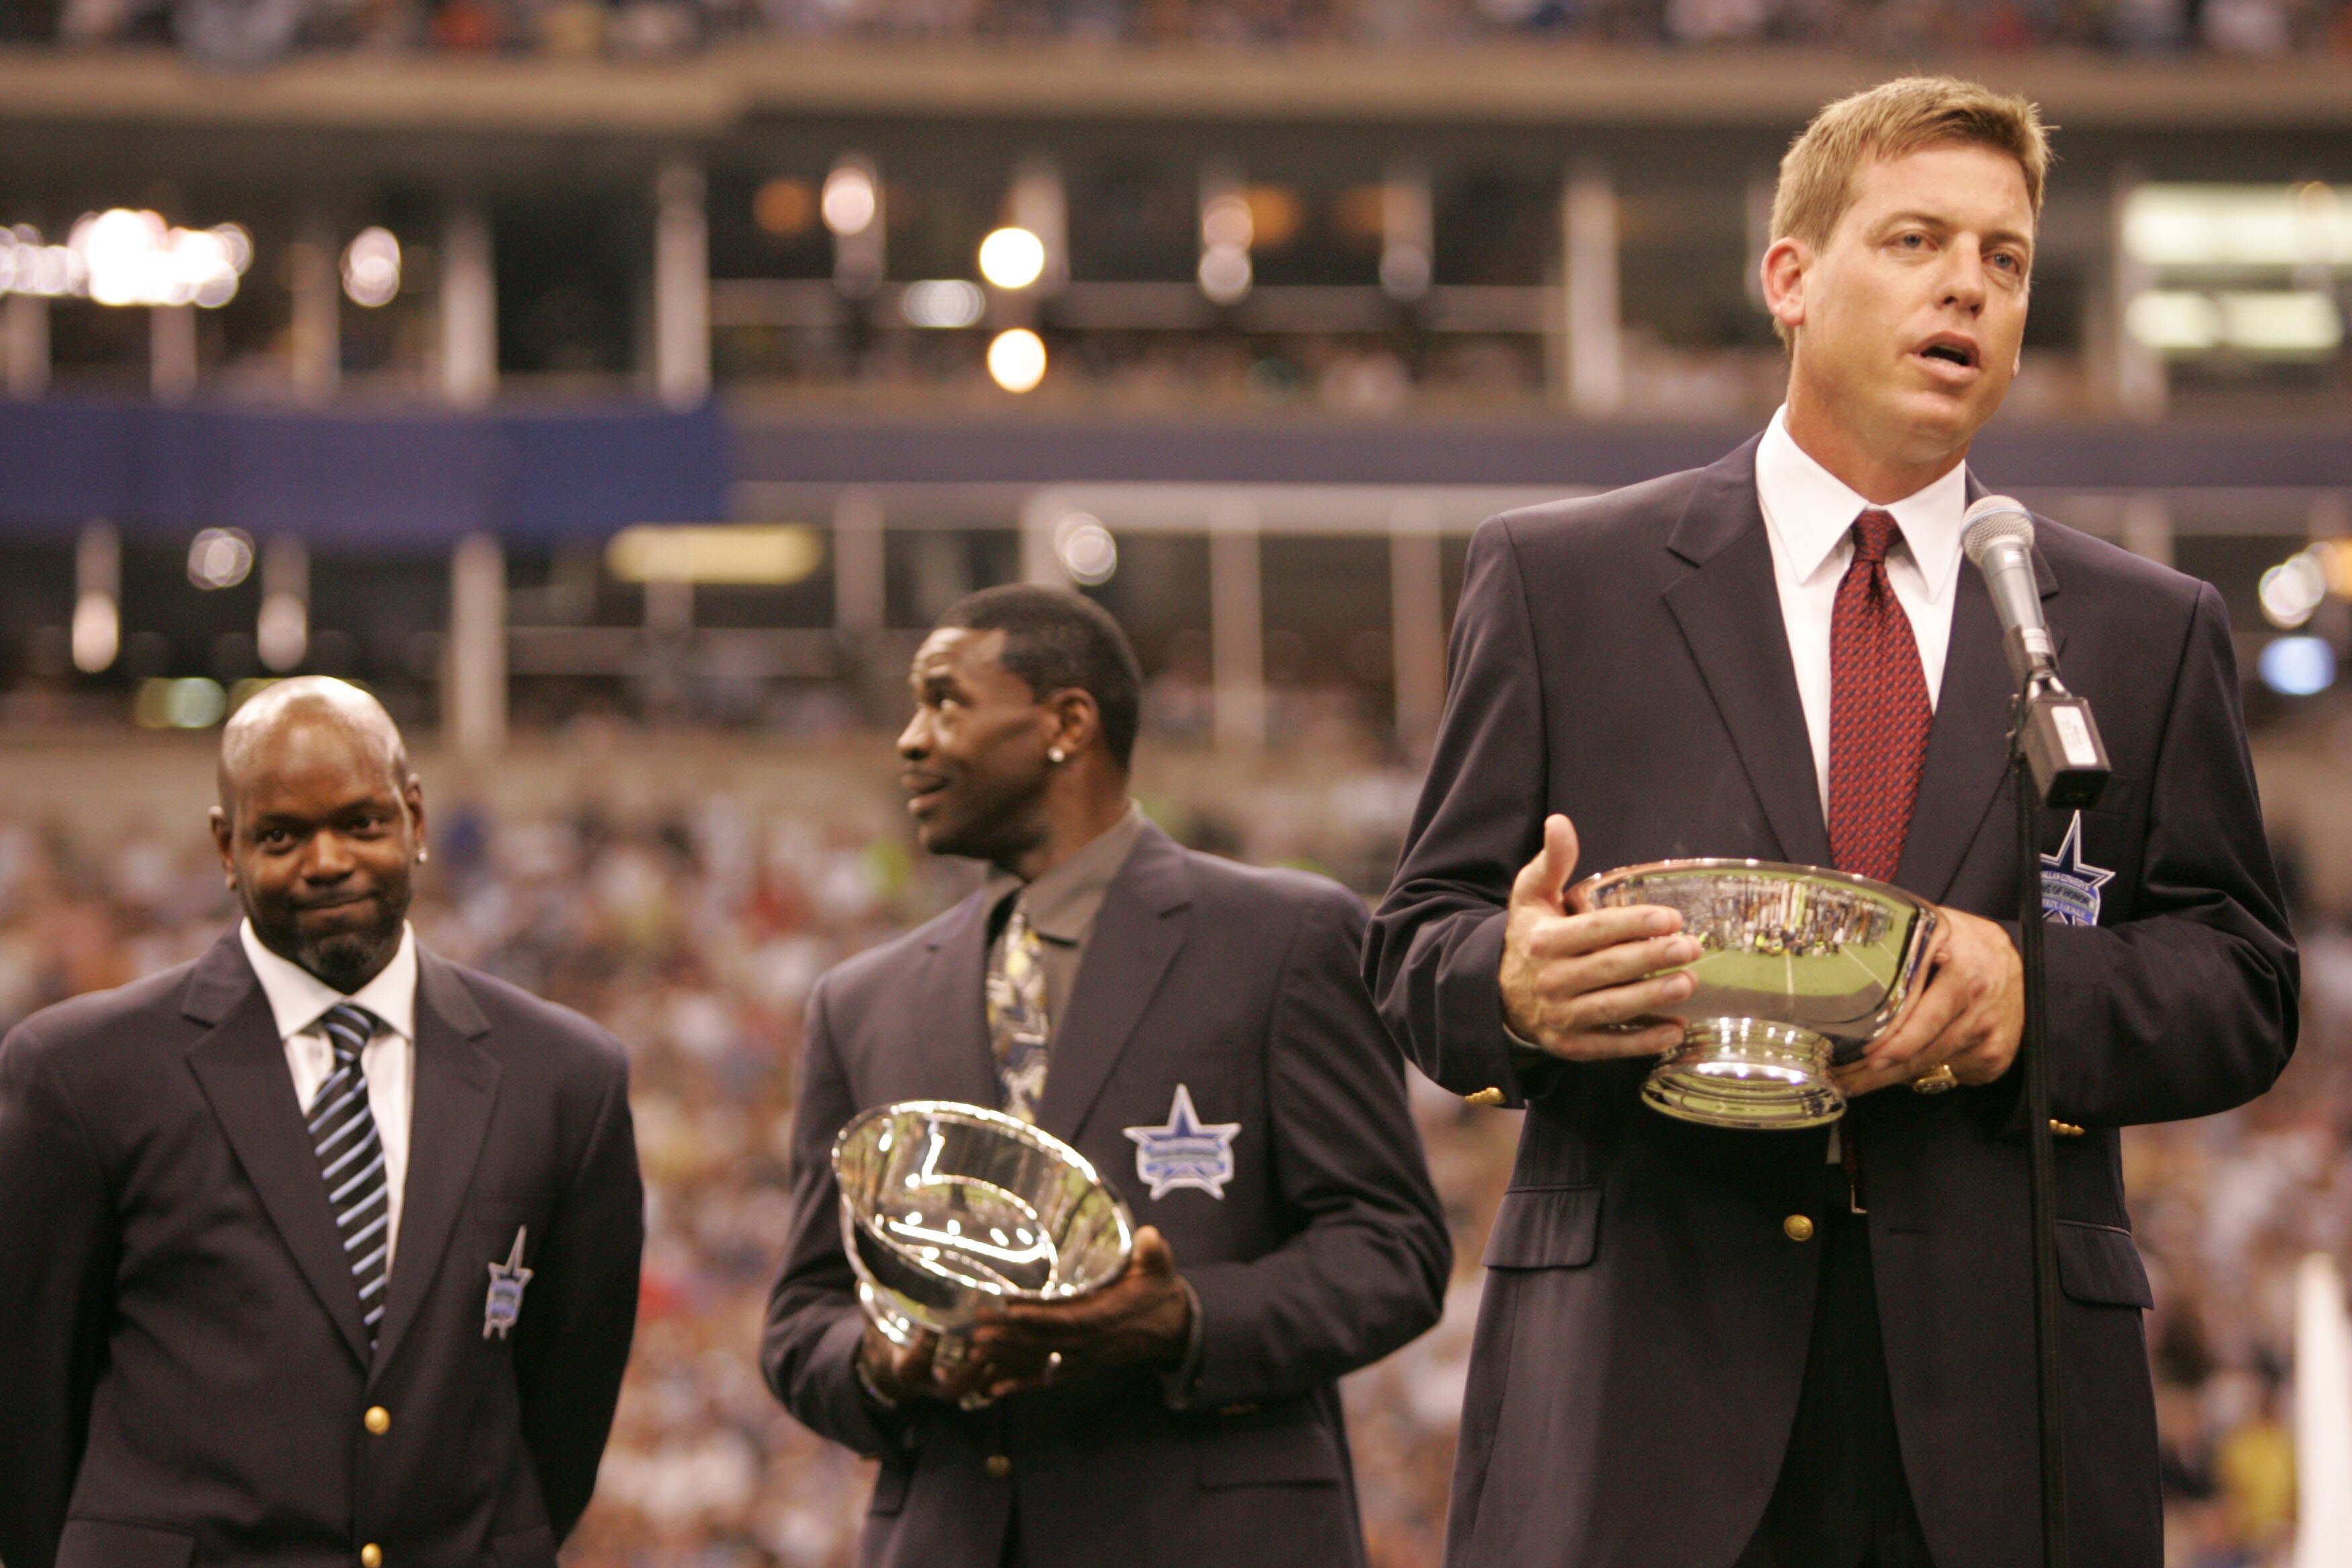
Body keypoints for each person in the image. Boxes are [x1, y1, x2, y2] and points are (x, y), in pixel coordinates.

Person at [1365, 77, 2297, 1568]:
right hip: (1648, 1395)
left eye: (2004, 260)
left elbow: (2245, 985)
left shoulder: (2138, 628)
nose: (1966, 287)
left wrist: (2029, 993)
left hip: (2006, 1413)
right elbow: (1419, 943)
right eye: (1918, 239)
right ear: (1789, 279)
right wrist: (1515, 985)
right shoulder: (1564, 581)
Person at [763, 585, 1451, 1568]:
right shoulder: (859, 1001)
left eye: (947, 701)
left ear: (1066, 723)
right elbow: (800, 1323)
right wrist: (882, 1361)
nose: (912, 740)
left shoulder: (1282, 937)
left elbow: (1393, 1252)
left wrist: (1181, 1319)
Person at [0, 678, 643, 1568]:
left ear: (415, 820)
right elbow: (30, 1406)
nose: (328, 859)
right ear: (226, 848)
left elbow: (565, 1404)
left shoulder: (567, 1078)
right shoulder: (82, 1073)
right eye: (281, 835)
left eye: (362, 823)